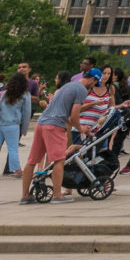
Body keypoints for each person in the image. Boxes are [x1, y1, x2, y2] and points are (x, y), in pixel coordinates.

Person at [31, 67, 92, 203]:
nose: (55, 80)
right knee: (59, 158)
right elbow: (70, 112)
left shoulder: (61, 91)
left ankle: (28, 192)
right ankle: (57, 194)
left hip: (47, 123)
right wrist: (81, 128)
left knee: (39, 158)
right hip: (58, 125)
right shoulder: (72, 91)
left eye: (56, 77)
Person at [0, 73, 30, 179]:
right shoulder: (25, 95)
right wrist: (24, 128)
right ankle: (17, 170)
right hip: (12, 125)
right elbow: (26, 113)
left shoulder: (1, 94)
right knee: (13, 149)